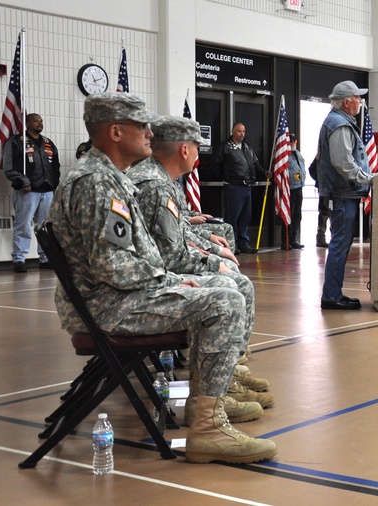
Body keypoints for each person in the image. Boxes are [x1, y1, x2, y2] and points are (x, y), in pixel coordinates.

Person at [48, 92, 275, 464]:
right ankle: (207, 428)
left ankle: (206, 412)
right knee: (225, 298)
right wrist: (168, 279)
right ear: (116, 132)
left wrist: (169, 278)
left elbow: (124, 259)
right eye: (142, 125)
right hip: (109, 306)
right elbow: (112, 266)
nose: (150, 133)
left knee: (221, 288)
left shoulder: (109, 177)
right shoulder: (95, 183)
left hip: (116, 297)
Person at [127, 115, 273, 419]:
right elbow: (172, 256)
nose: (198, 153)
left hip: (149, 275)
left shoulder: (159, 178)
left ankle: (226, 374)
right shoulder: (154, 185)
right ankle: (218, 388)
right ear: (183, 150)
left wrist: (210, 251)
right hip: (147, 285)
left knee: (231, 276)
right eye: (195, 146)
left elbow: (176, 235)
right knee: (234, 285)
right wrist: (214, 262)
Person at [318, 80, 374, 310]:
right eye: (358, 98)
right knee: (339, 244)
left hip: (345, 194)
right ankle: (331, 296)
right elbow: (344, 164)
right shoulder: (339, 125)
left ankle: (335, 293)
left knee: (341, 244)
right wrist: (368, 179)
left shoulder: (343, 122)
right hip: (341, 194)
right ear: (346, 101)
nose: (361, 101)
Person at [2, 113, 60, 273]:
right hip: (27, 192)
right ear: (27, 123)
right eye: (36, 121)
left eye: (41, 121)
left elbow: (56, 166)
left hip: (47, 191)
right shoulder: (15, 142)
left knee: (45, 228)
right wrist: (23, 181)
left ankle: (45, 258)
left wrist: (55, 184)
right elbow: (9, 168)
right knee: (23, 226)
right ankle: (19, 259)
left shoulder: (48, 143)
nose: (40, 123)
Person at [213, 122, 263, 254]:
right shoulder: (226, 147)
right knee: (232, 217)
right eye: (239, 131)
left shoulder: (247, 147)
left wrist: (264, 172)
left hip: (247, 187)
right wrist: (224, 178)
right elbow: (217, 164)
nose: (242, 134)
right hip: (233, 186)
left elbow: (256, 164)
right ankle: (232, 243)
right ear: (233, 132)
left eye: (244, 132)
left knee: (245, 216)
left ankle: (243, 242)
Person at [282, 134, 306, 249]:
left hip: (299, 188)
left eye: (294, 140)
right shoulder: (284, 156)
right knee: (288, 215)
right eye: (290, 141)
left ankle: (293, 239)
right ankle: (285, 240)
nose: (293, 143)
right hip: (289, 189)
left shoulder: (297, 154)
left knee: (297, 215)